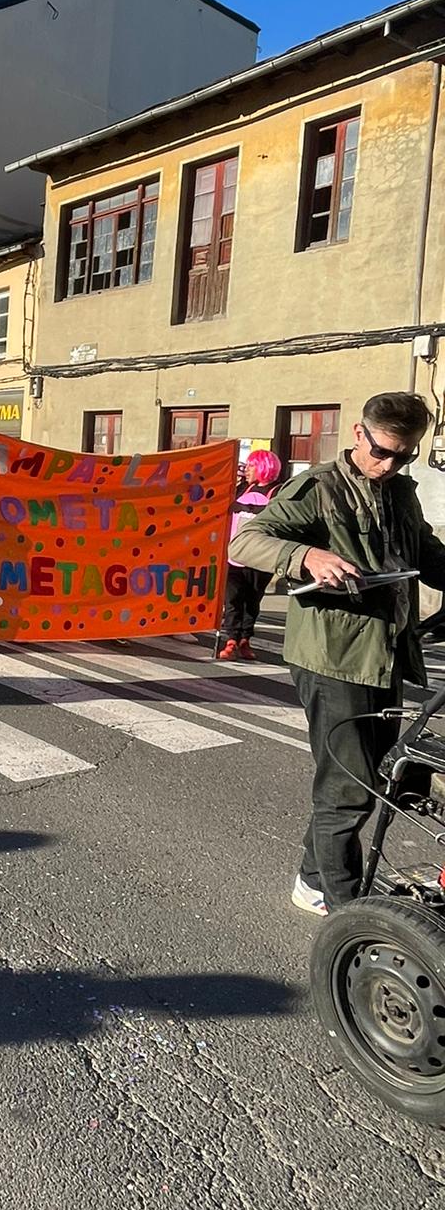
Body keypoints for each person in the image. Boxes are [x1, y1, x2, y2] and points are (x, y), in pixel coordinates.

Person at [232, 392, 445, 915]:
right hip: (332, 658)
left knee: (370, 777)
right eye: (383, 451)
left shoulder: (400, 492)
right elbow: (245, 543)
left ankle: (313, 877)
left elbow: (425, 551)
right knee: (348, 788)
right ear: (358, 433)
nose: (389, 464)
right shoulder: (318, 489)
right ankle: (345, 907)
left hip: (385, 653)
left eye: (404, 455)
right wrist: (307, 556)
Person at [218, 448, 283, 661]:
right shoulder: (243, 489)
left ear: (263, 468)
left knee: (252, 600)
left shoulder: (278, 492)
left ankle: (245, 639)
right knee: (233, 598)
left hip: (260, 557)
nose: (247, 470)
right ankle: (231, 639)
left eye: (251, 466)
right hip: (234, 554)